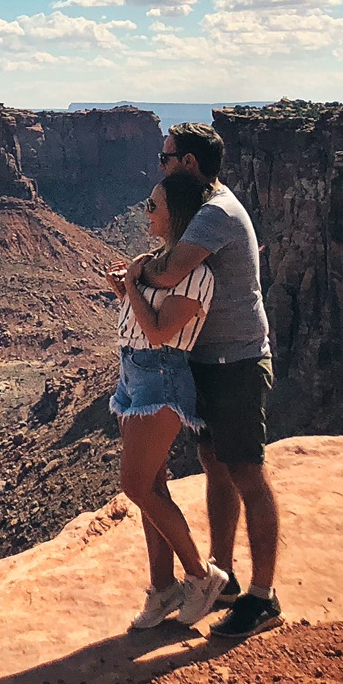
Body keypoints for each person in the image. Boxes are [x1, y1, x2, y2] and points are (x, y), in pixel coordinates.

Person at [132, 122, 283, 640]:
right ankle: (224, 578)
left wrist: (137, 275)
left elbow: (171, 273)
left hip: (237, 363)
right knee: (215, 466)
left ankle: (263, 598)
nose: (161, 164)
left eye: (166, 157)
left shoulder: (214, 212)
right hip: (206, 362)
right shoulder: (204, 206)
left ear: (189, 163)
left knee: (246, 473)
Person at [105, 170, 231, 631]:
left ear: (177, 214)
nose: (146, 212)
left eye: (154, 205)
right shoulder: (162, 262)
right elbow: (147, 320)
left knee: (135, 486)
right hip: (135, 375)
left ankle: (201, 578)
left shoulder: (194, 275)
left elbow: (161, 332)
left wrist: (134, 287)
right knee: (151, 489)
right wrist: (127, 289)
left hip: (161, 378)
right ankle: (162, 590)